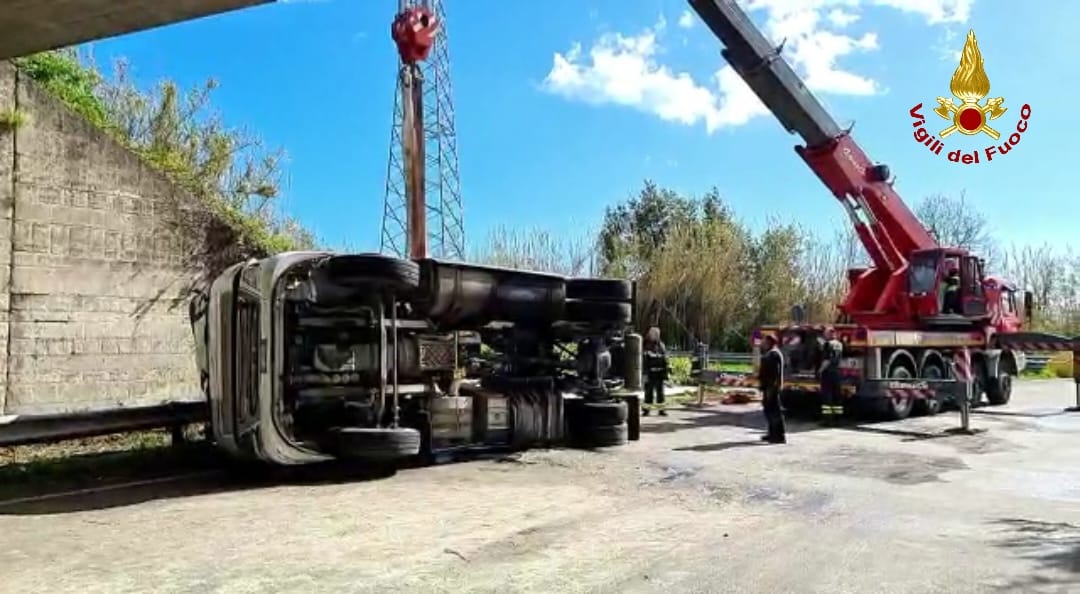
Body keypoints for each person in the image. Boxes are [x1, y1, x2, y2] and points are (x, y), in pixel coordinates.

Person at [758, 334, 786, 444]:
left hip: (771, 387)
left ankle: (778, 436)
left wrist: (771, 388)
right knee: (769, 411)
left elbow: (775, 373)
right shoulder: (769, 353)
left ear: (769, 342)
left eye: (764, 341)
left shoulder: (774, 354)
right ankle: (771, 433)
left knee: (774, 412)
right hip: (768, 386)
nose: (762, 343)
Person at [818, 327, 844, 426]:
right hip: (836, 372)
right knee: (837, 395)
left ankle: (828, 420)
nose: (824, 335)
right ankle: (838, 419)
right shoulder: (840, 344)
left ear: (829, 334)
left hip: (828, 373)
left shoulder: (827, 344)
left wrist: (820, 370)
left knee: (827, 397)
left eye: (825, 333)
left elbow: (827, 360)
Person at [642, 326, 669, 416]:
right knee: (648, 393)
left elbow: (664, 357)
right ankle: (646, 410)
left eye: (657, 334)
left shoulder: (661, 345)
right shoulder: (646, 344)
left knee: (660, 393)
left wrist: (666, 372)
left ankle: (661, 410)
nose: (655, 335)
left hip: (659, 373)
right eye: (653, 333)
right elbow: (644, 357)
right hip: (650, 372)